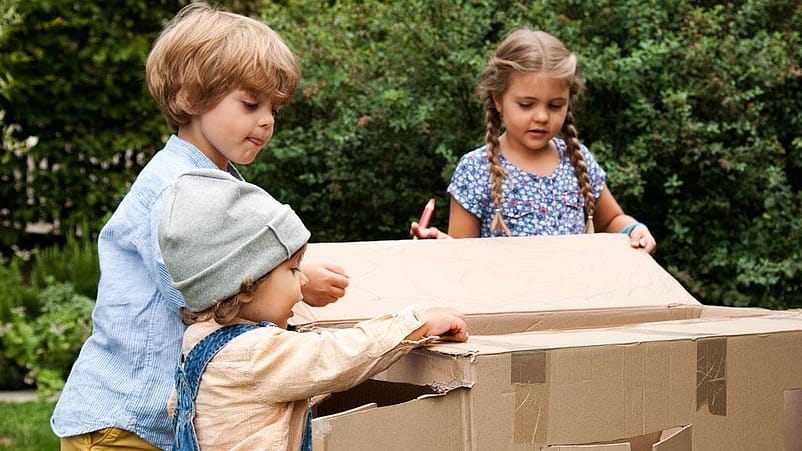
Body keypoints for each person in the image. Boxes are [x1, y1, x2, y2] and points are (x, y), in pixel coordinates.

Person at [51, 4, 349, 450]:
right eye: (250, 104)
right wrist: (299, 283)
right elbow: (207, 294)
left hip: (151, 423)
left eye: (273, 107)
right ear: (191, 98)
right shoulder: (176, 191)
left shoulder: (216, 180)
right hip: (124, 424)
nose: (266, 120)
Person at [159, 169, 469, 450]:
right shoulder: (254, 352)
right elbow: (333, 356)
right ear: (248, 286)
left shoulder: (198, 341)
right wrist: (417, 323)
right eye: (293, 270)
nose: (303, 279)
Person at [410, 28, 656, 254]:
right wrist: (440, 249)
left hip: (577, 298)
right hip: (508, 301)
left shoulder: (576, 158)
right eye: (526, 105)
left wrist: (633, 230)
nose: (541, 117)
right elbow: (462, 256)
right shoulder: (475, 169)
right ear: (498, 99)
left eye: (555, 105)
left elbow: (612, 220)